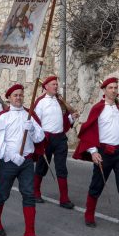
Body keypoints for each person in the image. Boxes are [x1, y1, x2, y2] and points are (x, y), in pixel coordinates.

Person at [73, 77, 119, 235]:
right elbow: (89, 132)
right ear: (104, 90)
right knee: (97, 185)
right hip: (103, 153)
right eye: (110, 87)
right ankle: (89, 214)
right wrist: (93, 152)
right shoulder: (97, 109)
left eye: (115, 87)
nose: (114, 90)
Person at [0, 83, 44, 236]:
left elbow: (40, 138)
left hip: (27, 161)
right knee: (3, 193)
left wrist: (33, 130)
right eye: (15, 95)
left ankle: (29, 232)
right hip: (8, 162)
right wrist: (13, 156)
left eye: (21, 95)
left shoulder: (30, 116)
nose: (19, 98)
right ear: (9, 98)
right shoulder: (3, 117)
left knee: (29, 194)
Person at [33, 75, 77, 208]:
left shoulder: (59, 101)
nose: (56, 86)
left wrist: (71, 118)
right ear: (46, 87)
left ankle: (64, 199)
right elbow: (35, 122)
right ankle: (35, 193)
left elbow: (63, 120)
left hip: (60, 138)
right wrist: (39, 139)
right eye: (53, 84)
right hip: (46, 138)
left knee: (61, 168)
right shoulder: (40, 102)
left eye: (56, 84)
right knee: (42, 166)